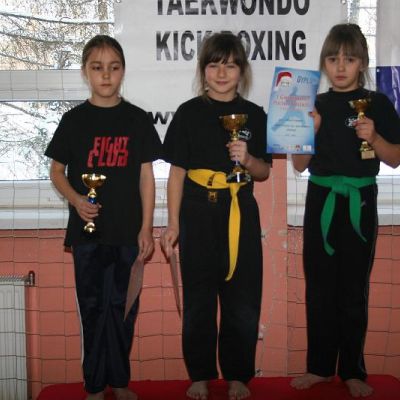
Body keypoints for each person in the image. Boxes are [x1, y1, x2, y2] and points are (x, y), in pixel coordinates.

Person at [45, 35, 162, 400]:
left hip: (128, 233)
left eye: (113, 67)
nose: (106, 75)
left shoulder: (137, 119)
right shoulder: (73, 121)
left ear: (123, 71)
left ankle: (120, 381)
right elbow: (56, 171)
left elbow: (146, 177)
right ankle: (94, 385)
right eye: (97, 68)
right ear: (85, 72)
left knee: (123, 309)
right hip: (87, 235)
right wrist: (77, 200)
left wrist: (147, 228)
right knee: (93, 309)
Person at [290, 23, 400, 398]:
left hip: (360, 199)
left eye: (349, 59)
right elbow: (298, 165)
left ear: (362, 63)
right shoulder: (313, 105)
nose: (340, 67)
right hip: (321, 199)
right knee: (319, 288)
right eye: (333, 59)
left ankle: (353, 370)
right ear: (323, 63)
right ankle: (320, 368)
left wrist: (375, 137)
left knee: (353, 288)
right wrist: (310, 131)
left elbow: (395, 158)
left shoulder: (377, 103)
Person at [160, 32, 272, 400]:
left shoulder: (255, 115)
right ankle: (200, 374)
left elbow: (264, 172)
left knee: (243, 298)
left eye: (230, 65)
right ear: (202, 70)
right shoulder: (188, 113)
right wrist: (172, 223)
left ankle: (238, 374)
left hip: (240, 210)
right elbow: (176, 173)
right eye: (214, 65)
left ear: (242, 70)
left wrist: (248, 158)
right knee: (199, 298)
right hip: (196, 211)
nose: (222, 73)